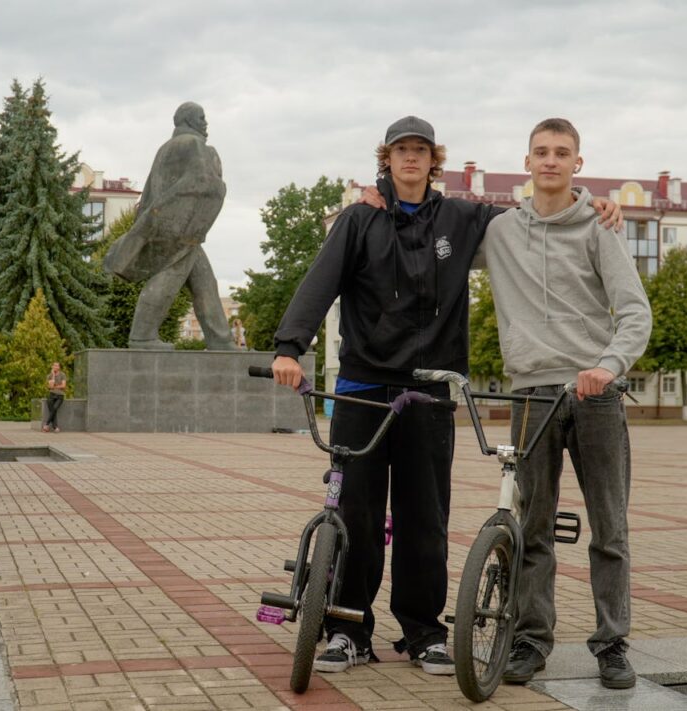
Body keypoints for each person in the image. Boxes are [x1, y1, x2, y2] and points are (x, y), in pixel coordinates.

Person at [272, 116, 621, 677]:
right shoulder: (359, 219)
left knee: (425, 516)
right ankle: (346, 628)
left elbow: (541, 215)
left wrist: (593, 204)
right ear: (386, 159)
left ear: (435, 160)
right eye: (400, 151)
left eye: (421, 151)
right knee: (356, 510)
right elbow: (320, 282)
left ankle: (423, 632)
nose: (411, 159)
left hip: (431, 389)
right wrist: (290, 346)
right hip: (363, 386)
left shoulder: (465, 218)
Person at [483, 118, 652, 690]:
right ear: (525, 162)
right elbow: (433, 230)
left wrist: (607, 367)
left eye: (562, 153)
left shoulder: (599, 228)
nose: (550, 160)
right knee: (532, 528)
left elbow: (634, 312)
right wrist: (382, 192)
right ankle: (530, 642)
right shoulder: (500, 231)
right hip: (531, 392)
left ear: (578, 163)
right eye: (540, 152)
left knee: (610, 528)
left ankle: (612, 644)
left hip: (595, 395)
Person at [103, 102, 234, 350]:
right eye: (201, 117)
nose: (206, 123)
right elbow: (203, 182)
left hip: (164, 223)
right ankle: (142, 336)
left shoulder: (165, 148)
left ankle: (220, 339)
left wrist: (143, 227)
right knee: (170, 276)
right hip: (180, 228)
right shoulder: (193, 145)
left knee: (204, 280)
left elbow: (150, 191)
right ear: (188, 120)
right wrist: (219, 178)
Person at [43, 362, 67, 433]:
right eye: (54, 365)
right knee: (53, 411)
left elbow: (63, 386)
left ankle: (46, 424)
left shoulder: (62, 374)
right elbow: (50, 386)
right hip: (51, 395)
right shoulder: (49, 376)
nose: (55, 367)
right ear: (52, 367)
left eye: (57, 366)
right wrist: (53, 375)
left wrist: (55, 387)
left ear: (59, 367)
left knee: (54, 408)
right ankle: (55, 427)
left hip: (60, 395)